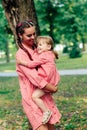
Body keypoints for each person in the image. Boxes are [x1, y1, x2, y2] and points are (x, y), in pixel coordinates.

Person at [15, 19, 61, 130]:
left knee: (51, 128)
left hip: (43, 95)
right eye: (29, 35)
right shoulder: (21, 54)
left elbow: (49, 67)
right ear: (20, 35)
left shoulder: (38, 48)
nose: (33, 37)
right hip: (32, 98)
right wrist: (53, 88)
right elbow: (35, 78)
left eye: (34, 34)